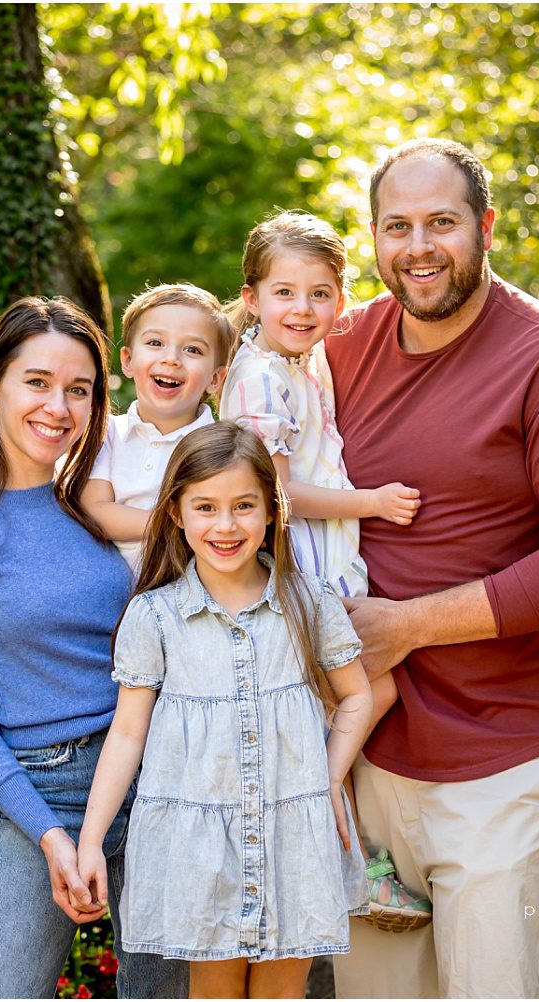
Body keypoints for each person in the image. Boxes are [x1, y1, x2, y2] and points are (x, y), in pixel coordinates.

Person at [325, 139, 539, 998]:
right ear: (373, 236)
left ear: (487, 227)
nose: (419, 246)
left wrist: (408, 625)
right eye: (398, 226)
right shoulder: (338, 345)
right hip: (361, 757)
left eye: (442, 222)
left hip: (497, 761)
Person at [0, 297, 187, 999]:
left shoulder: (96, 504)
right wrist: (51, 837)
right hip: (40, 791)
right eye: (38, 382)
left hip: (155, 778)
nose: (59, 406)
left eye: (79, 390)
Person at [74, 422, 373, 999]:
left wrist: (330, 776)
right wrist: (91, 839)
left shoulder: (308, 602)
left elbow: (356, 695)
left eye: (244, 506)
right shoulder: (154, 616)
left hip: (294, 835)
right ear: (177, 514)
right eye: (205, 507)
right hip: (199, 849)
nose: (226, 525)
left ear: (271, 511)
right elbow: (128, 733)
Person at [217, 212, 432, 929]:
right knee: (367, 695)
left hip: (329, 564)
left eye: (320, 294)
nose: (302, 309)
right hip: (301, 572)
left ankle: (343, 853)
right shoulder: (257, 382)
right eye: (285, 293)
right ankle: (333, 839)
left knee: (350, 705)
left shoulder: (300, 365)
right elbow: (272, 496)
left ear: (340, 300)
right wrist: (371, 502)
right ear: (252, 299)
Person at [82, 283, 233, 576]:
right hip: (112, 602)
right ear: (127, 360)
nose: (171, 358)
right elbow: (95, 511)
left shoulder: (221, 449)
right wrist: (179, 525)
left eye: (192, 349)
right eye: (155, 343)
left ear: (215, 379)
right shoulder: (106, 433)